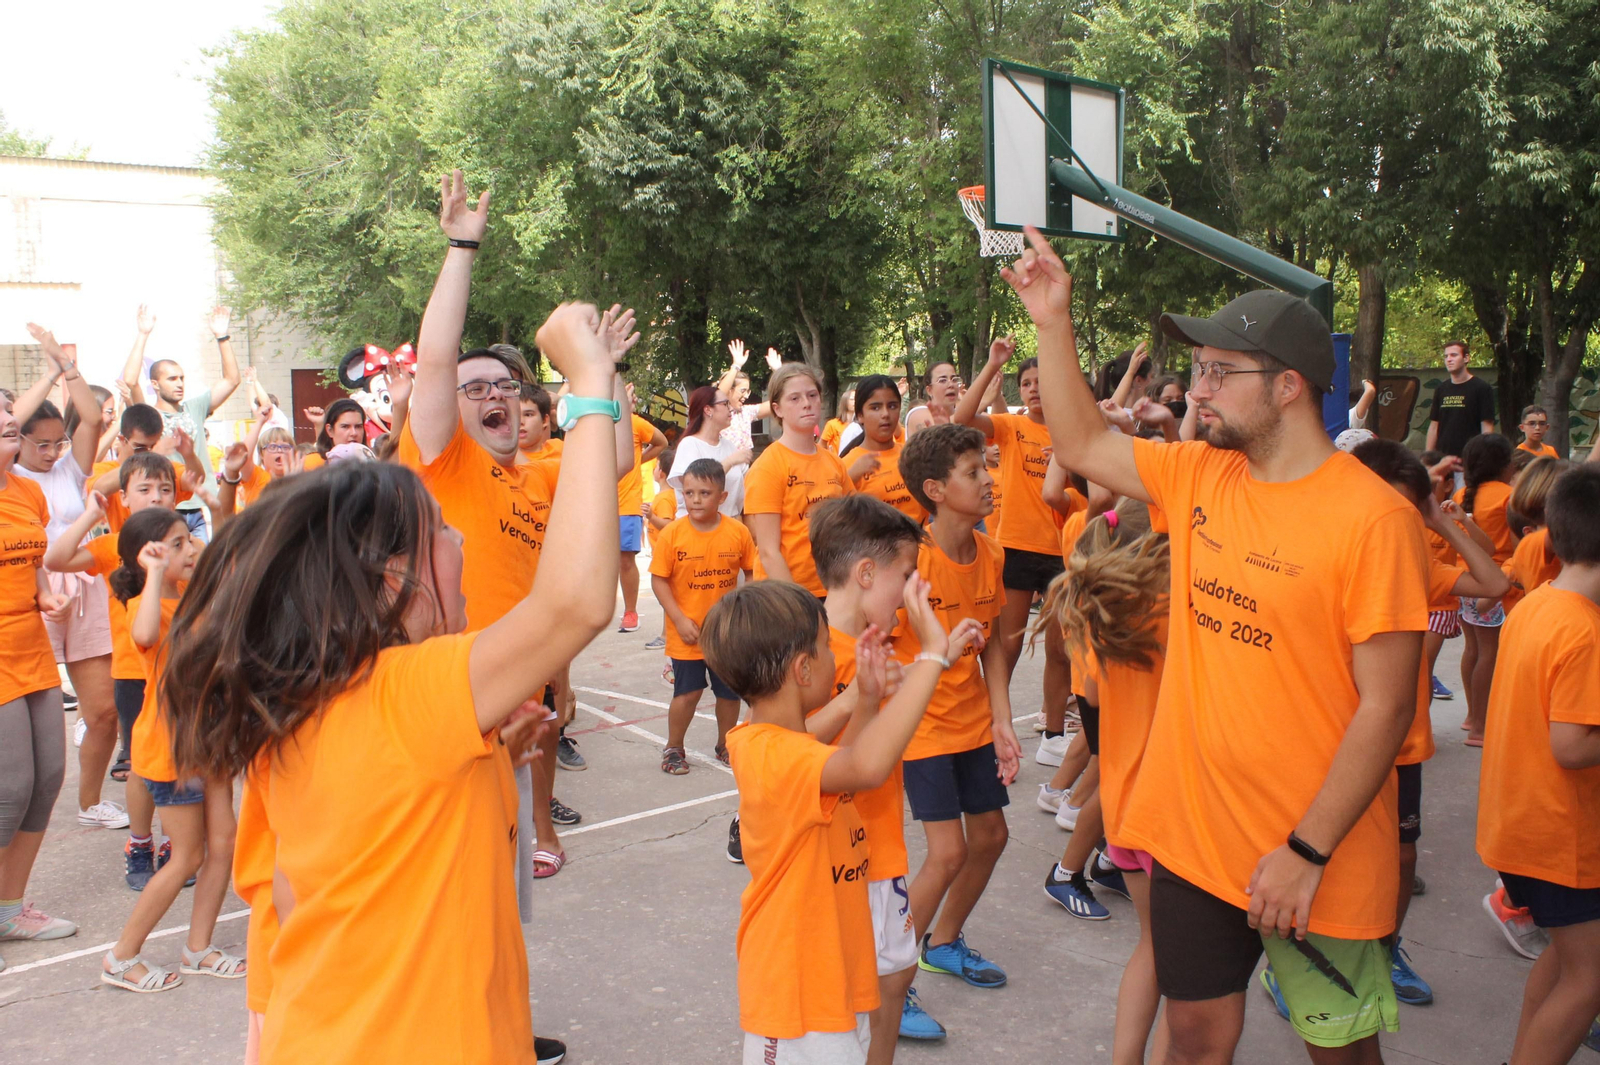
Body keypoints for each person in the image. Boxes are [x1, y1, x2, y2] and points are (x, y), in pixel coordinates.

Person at [1006, 226, 1430, 1062]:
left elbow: (1385, 708)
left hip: (1320, 851)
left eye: (1218, 372)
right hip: (1194, 837)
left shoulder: (1375, 519)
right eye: (1197, 369)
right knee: (1198, 1035)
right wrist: (1053, 323)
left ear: (1287, 387)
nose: (1198, 391)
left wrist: (1306, 851)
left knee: (1341, 1053)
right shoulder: (1199, 474)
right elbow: (1082, 444)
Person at [701, 576, 961, 1065]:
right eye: (825, 648)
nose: (832, 655)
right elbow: (866, 767)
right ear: (803, 670)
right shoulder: (771, 754)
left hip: (830, 977)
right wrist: (932, 657)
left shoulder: (781, 745)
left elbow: (845, 772)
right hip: (796, 998)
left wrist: (865, 700)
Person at [810, 494, 988, 1055]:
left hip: (881, 852)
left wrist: (940, 655)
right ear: (866, 574)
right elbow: (783, 742)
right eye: (906, 576)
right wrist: (924, 659)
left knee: (893, 984)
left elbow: (889, 683)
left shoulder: (873, 645)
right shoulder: (808, 651)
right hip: (832, 863)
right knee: (845, 1004)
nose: (915, 589)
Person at [1349, 438, 1511, 1008]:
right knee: (1328, 856)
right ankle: (1296, 963)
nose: (1393, 519)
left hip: (1402, 743)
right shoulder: (1328, 552)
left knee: (1402, 857)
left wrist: (1441, 520)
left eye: (1405, 508)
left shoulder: (1416, 558)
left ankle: (1384, 951)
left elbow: (1494, 584)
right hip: (1333, 738)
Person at [1034, 498, 1170, 1065]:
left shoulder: (1099, 621)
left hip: (1122, 810)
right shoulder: (1171, 622)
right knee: (1188, 972)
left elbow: (1090, 702)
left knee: (1153, 949)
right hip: (1169, 812)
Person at [1476, 464, 1600, 1065]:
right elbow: (1571, 747)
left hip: (1521, 828)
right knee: (1589, 980)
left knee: (1567, 960)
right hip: (1563, 840)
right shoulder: (1587, 632)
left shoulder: (1537, 605)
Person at [893, 423, 1020, 991]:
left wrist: (1002, 719)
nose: (988, 479)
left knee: (991, 837)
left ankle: (942, 943)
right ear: (935, 490)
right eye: (973, 472)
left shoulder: (991, 552)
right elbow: (871, 649)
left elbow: (992, 643)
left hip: (972, 721)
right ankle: (891, 981)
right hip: (922, 727)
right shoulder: (910, 564)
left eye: (985, 467)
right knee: (946, 854)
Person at [100, 506, 247, 992]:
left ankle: (198, 948)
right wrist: (154, 573)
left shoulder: (190, 596)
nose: (189, 549)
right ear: (148, 557)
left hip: (211, 737)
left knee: (223, 844)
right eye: (176, 544)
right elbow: (143, 636)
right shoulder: (142, 606)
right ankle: (121, 957)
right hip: (171, 747)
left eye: (188, 539)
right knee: (185, 856)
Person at [14, 325, 125, 830]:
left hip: (81, 586)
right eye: (41, 443)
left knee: (103, 711)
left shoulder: (68, 469)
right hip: (27, 590)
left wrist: (66, 366)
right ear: (17, 439)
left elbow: (91, 416)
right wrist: (46, 374)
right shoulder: (9, 477)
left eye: (59, 441)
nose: (53, 451)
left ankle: (90, 802)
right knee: (20, 722)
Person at [955, 337, 1079, 768]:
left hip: (1064, 552)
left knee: (1060, 650)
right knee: (1005, 648)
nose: (1034, 388)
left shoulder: (1073, 432)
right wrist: (992, 366)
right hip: (1017, 548)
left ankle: (1053, 734)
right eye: (1026, 383)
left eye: (1041, 381)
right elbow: (962, 418)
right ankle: (990, 730)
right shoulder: (1011, 427)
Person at [0, 398, 75, 963]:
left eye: (10, 421)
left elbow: (31, 563)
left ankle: (9, 910)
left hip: (31, 645)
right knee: (9, 789)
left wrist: (46, 595)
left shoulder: (26, 491)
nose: (10, 425)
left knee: (48, 778)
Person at [650, 458, 756, 773]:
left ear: (722, 497)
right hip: (688, 634)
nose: (695, 500)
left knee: (729, 692)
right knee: (688, 693)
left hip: (725, 635)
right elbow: (658, 580)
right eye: (689, 493)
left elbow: (752, 572)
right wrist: (679, 620)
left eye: (705, 493)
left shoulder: (738, 532)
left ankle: (726, 744)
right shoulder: (672, 534)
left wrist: (743, 614)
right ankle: (673, 748)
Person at [119, 305, 241, 542]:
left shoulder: (195, 407)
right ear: (155, 384)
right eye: (172, 378)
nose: (179, 383)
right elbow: (131, 381)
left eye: (182, 378)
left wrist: (222, 336)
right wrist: (143, 334)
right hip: (168, 506)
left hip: (200, 505)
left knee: (205, 562)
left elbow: (231, 380)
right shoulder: (149, 415)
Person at [744, 364, 853, 596]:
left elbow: (853, 525)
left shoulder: (834, 463)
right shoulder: (768, 466)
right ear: (777, 409)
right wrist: (799, 603)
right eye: (794, 398)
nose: (806, 403)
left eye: (812, 395)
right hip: (784, 594)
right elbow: (768, 552)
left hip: (833, 588)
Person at [1454, 433, 1516, 746]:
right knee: (1489, 653)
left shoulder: (1463, 493)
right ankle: (1480, 726)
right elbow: (1517, 546)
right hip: (1494, 582)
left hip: (1465, 580)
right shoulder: (1510, 496)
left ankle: (1472, 716)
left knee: (1473, 649)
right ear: (1505, 465)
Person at [616, 397, 668, 633]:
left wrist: (636, 461)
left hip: (627, 503)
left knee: (626, 559)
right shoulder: (593, 423)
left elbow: (661, 442)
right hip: (598, 503)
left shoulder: (635, 423)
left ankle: (631, 612)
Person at [841, 375, 922, 522]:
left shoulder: (913, 457)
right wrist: (850, 478)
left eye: (892, 406)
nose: (885, 414)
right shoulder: (848, 466)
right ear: (860, 415)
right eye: (875, 407)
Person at [670, 386, 752, 519]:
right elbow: (698, 484)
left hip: (729, 525)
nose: (731, 409)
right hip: (696, 527)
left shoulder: (729, 446)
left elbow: (747, 488)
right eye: (725, 404)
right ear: (708, 410)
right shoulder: (689, 445)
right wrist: (730, 462)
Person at [1425, 340, 1495, 465]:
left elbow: (1487, 427)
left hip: (1470, 460)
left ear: (1466, 358)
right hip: (1443, 460)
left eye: (1454, 355)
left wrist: (1485, 457)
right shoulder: (1441, 389)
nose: (1449, 359)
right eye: (1446, 356)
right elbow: (1434, 426)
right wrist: (1428, 458)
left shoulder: (1482, 388)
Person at [716, 339, 782, 452]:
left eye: (748, 391)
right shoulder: (715, 411)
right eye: (742, 391)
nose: (746, 396)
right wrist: (736, 365)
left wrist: (779, 372)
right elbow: (719, 394)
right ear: (730, 390)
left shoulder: (746, 412)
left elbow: (781, 402)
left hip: (745, 463)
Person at [903, 362, 961, 437]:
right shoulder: (918, 413)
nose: (951, 385)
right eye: (942, 380)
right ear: (929, 390)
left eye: (954, 379)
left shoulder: (967, 415)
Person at [821, 388, 855, 454]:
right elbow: (821, 445)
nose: (855, 402)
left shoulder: (861, 426)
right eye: (852, 399)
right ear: (845, 401)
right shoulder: (833, 424)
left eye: (857, 399)